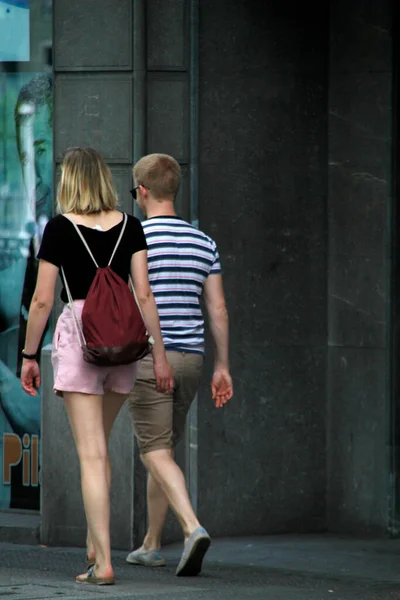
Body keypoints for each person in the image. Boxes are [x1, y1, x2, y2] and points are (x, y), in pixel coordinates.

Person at [21, 147, 173, 586]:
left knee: (90, 453)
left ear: (70, 180)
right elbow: (144, 295)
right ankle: (95, 542)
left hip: (82, 339)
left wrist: (30, 356)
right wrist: (158, 353)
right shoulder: (132, 225)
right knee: (100, 447)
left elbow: (44, 300)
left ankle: (102, 562)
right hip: (125, 341)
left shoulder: (60, 228)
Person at [126, 153, 233, 577]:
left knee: (153, 450)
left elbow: (133, 298)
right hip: (192, 360)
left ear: (142, 192)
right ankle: (151, 543)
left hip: (151, 358)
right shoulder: (202, 241)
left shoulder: (133, 238)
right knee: (164, 450)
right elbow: (219, 308)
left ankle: (191, 528)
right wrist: (223, 365)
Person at [0, 73, 52, 510]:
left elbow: (44, 420)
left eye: (39, 149)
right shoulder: (29, 246)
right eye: (23, 153)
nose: (29, 171)